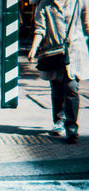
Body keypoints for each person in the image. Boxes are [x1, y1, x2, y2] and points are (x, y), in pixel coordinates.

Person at [28, 0, 89, 144]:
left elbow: (87, 25)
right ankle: (59, 120)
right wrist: (33, 48)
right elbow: (40, 28)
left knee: (71, 88)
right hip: (54, 53)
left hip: (75, 53)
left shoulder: (81, 1)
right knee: (56, 89)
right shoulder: (45, 4)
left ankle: (72, 127)